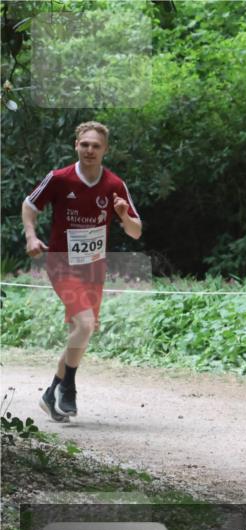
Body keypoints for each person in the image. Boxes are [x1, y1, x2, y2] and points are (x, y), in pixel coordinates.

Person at [22, 121, 141, 422]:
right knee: (85, 325)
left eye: (96, 145)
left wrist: (124, 215)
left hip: (93, 268)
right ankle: (69, 389)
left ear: (105, 150)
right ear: (76, 145)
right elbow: (29, 205)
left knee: (81, 331)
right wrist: (31, 236)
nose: (89, 150)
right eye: (84, 144)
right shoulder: (59, 178)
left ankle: (51, 393)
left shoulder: (114, 185)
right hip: (62, 263)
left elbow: (136, 232)